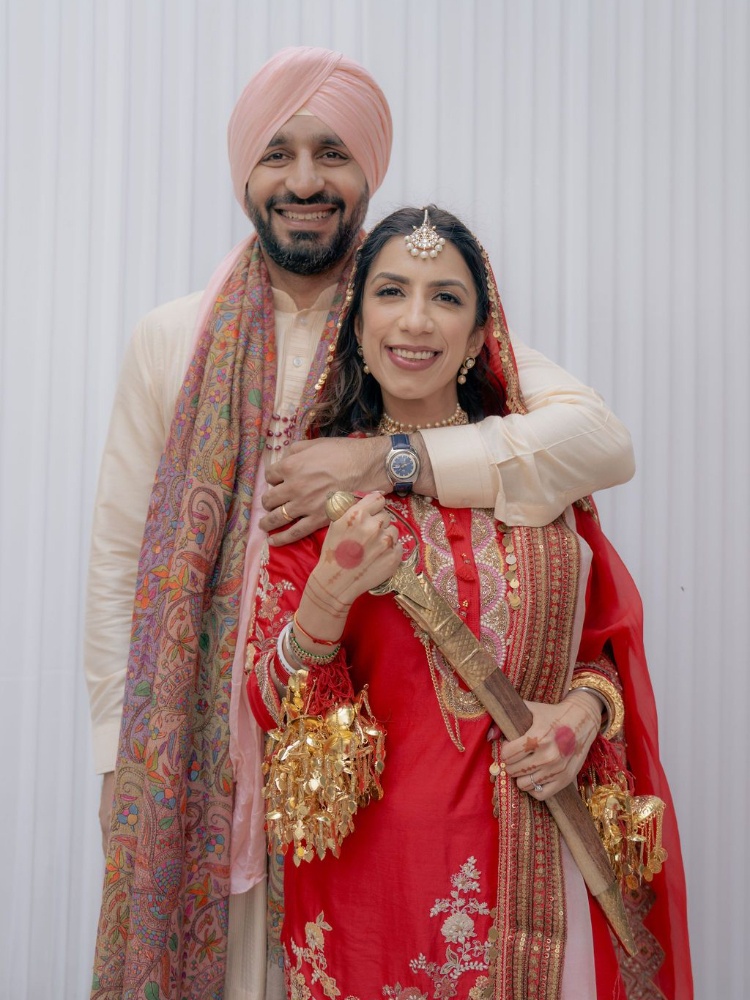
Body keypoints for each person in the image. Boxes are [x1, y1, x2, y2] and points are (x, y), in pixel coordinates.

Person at [86, 50, 636, 1000]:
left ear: (369, 171)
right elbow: (122, 561)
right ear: (243, 173)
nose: (304, 182)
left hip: (363, 766)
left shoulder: (407, 317)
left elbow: (598, 442)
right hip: (200, 746)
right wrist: (119, 759)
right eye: (277, 155)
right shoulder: (172, 339)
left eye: (332, 153)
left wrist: (391, 458)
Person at [246, 206, 692, 998]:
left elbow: (603, 651)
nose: (416, 321)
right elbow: (266, 707)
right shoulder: (319, 494)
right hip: (377, 896)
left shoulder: (533, 479)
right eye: (391, 292)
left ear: (483, 335)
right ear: (356, 324)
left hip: (546, 873)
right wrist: (326, 596)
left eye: (446, 298)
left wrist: (580, 719)